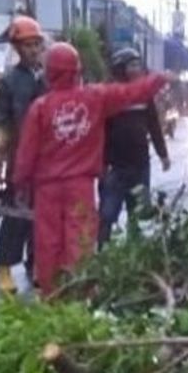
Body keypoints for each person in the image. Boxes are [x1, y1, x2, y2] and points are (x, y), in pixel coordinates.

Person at [12, 43, 168, 296]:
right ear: (77, 70)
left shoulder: (40, 108)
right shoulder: (95, 98)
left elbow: (26, 153)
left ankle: (51, 295)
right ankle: (80, 293)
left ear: (49, 72)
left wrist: (20, 184)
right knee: (80, 240)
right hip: (80, 186)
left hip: (47, 188)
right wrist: (158, 80)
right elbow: (130, 92)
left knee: (48, 241)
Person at [0, 16, 46, 295]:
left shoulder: (50, 78)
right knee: (15, 217)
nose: (33, 50)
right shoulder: (8, 83)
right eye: (27, 45)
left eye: (36, 44)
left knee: (42, 218)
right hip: (19, 160)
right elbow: (0, 124)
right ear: (17, 48)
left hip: (47, 163)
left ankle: (37, 266)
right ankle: (4, 270)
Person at [98, 48, 171, 248]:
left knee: (138, 213)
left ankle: (135, 251)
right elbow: (99, 132)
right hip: (115, 167)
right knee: (107, 214)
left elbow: (154, 126)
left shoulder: (144, 96)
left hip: (140, 164)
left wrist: (163, 154)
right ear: (120, 68)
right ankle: (102, 251)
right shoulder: (110, 95)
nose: (137, 69)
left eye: (139, 64)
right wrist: (101, 165)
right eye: (132, 65)